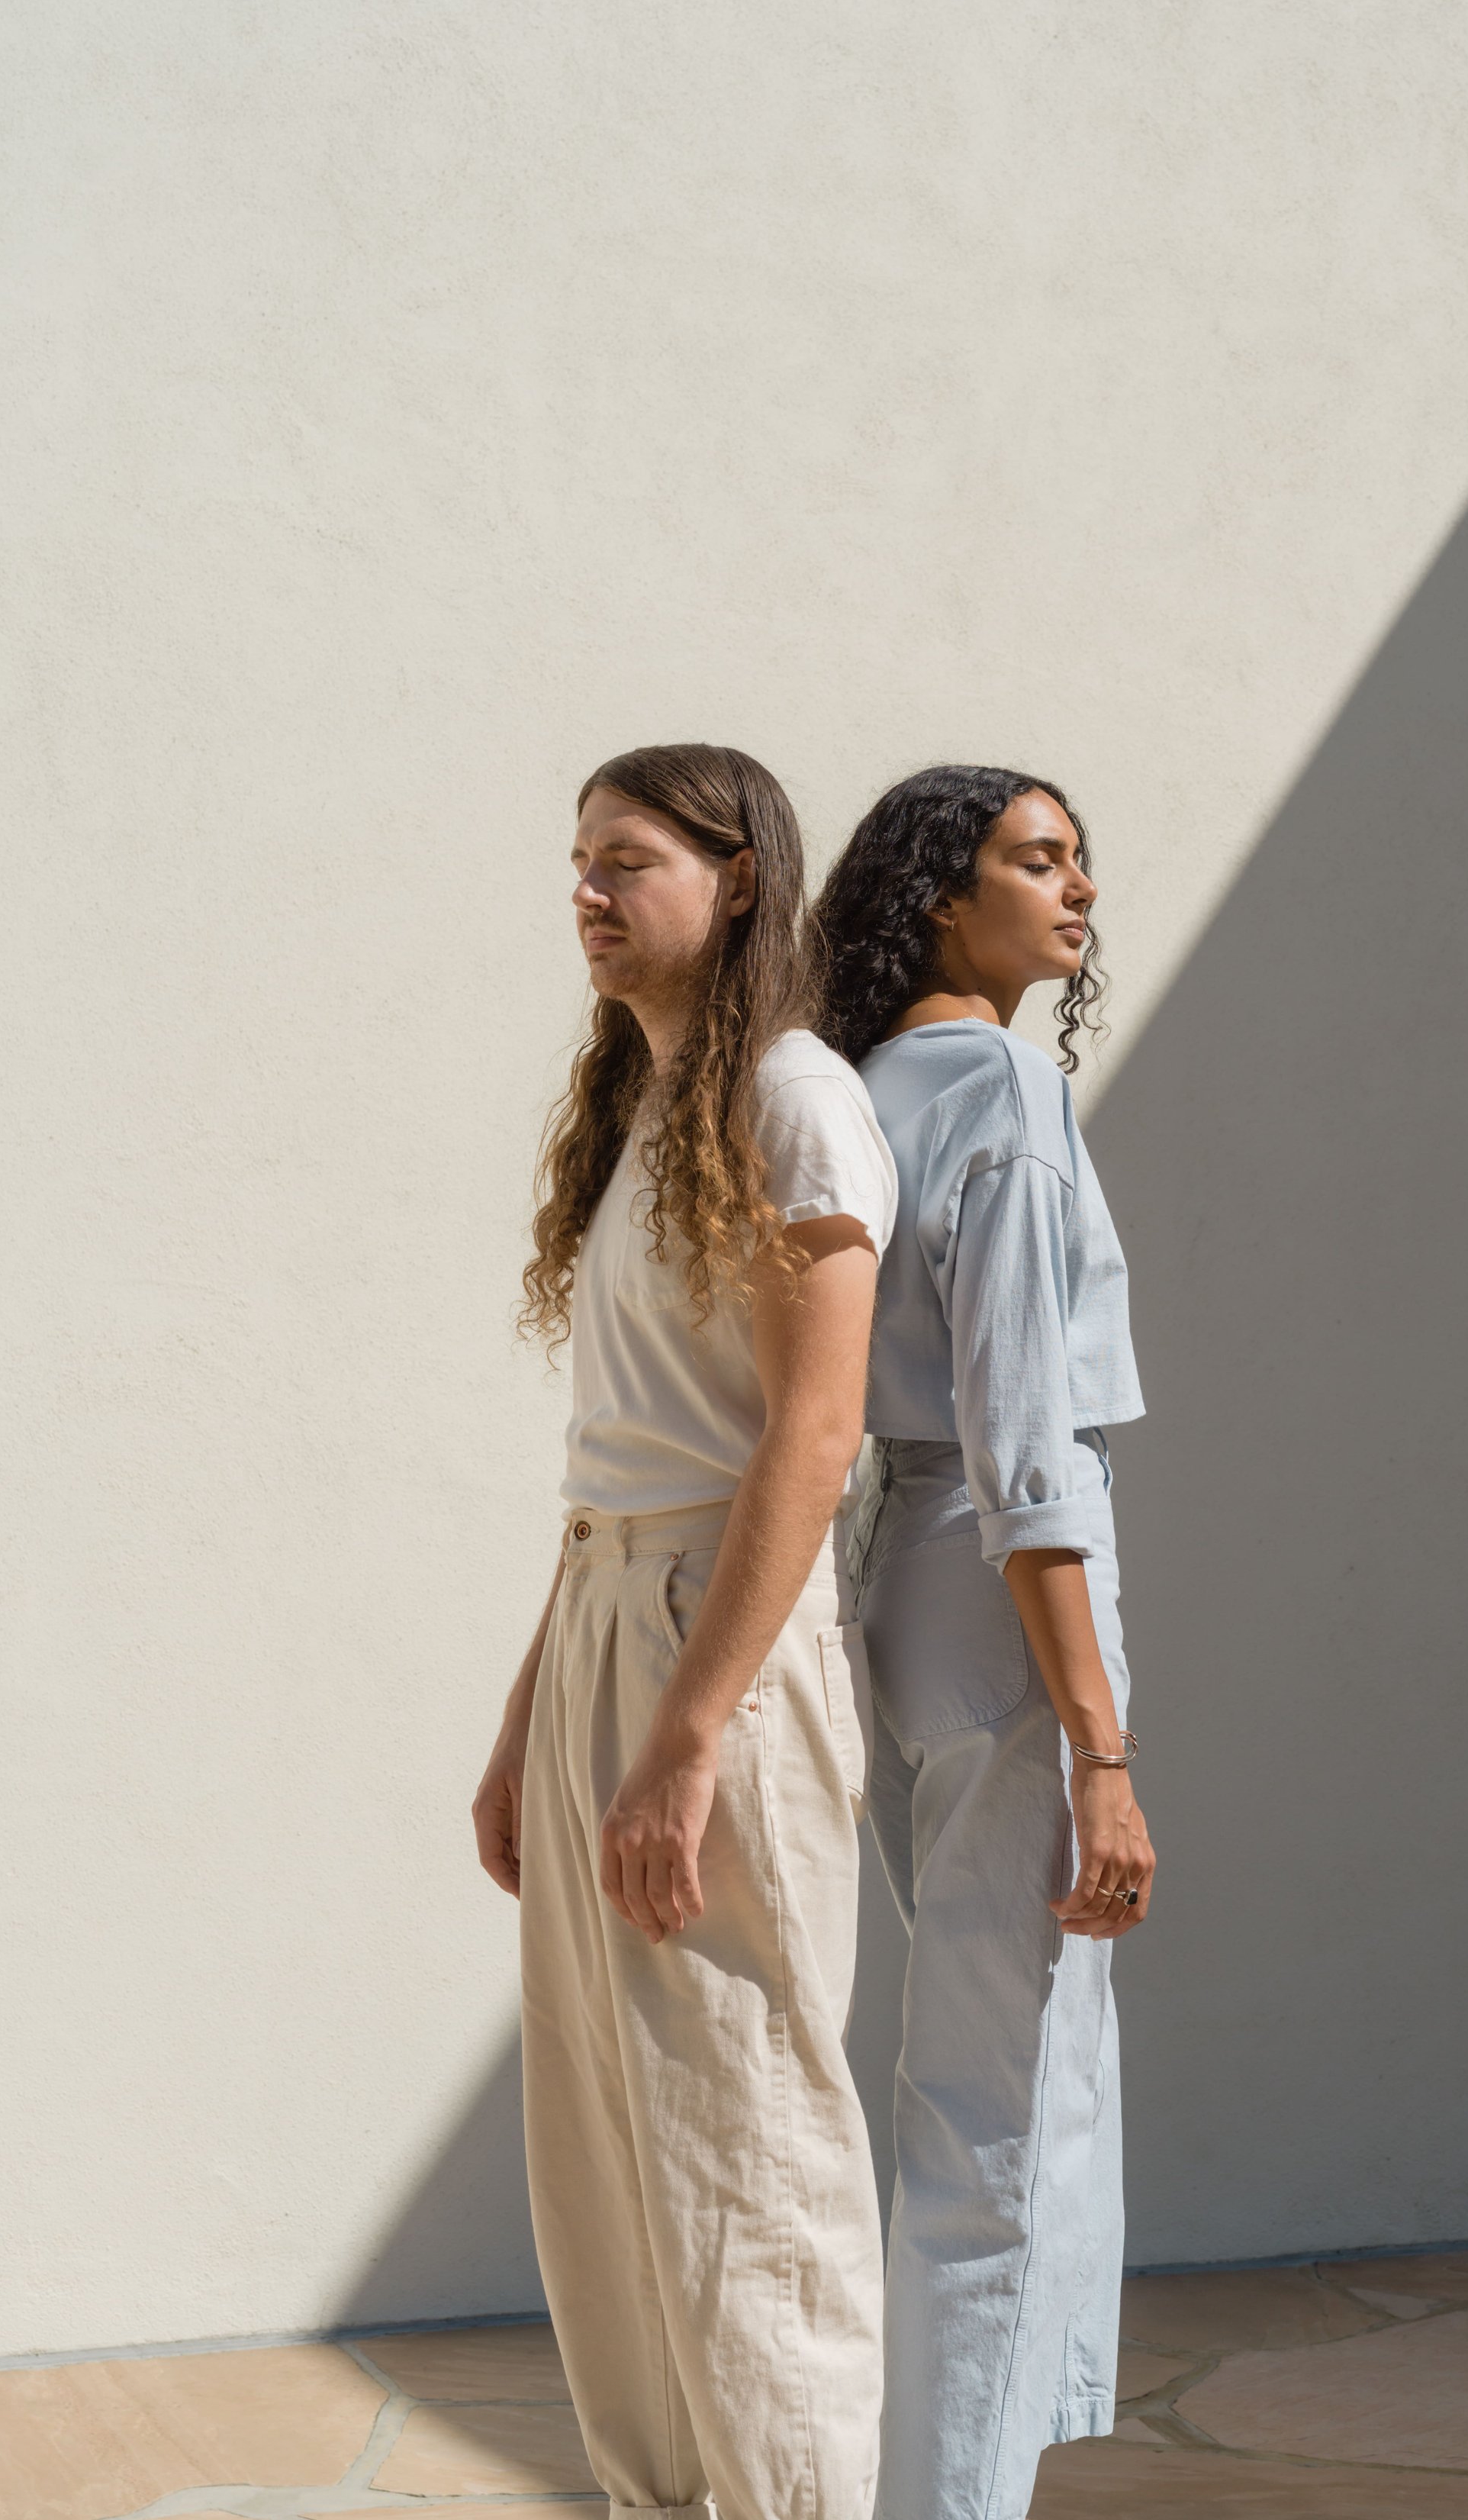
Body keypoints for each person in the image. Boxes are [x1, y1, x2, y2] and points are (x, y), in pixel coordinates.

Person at [474, 743, 897, 2520]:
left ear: (736, 879)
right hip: (605, 1616)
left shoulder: (795, 1099)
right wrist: (526, 1731)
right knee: (599, 2140)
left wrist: (686, 1732)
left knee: (745, 2135)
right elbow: (621, 1461)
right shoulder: (641, 1111)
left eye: (624, 858)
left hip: (716, 1647)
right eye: (576, 858)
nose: (585, 887)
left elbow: (808, 1440)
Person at [813, 765, 1155, 2520]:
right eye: (1037, 859)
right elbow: (1031, 1445)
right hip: (1001, 1583)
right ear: (942, 893)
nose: (1076, 890)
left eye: (1082, 862)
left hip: (893, 1574)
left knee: (956, 2077)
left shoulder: (865, 1091)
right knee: (996, 2110)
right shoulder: (1008, 1095)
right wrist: (1100, 1747)